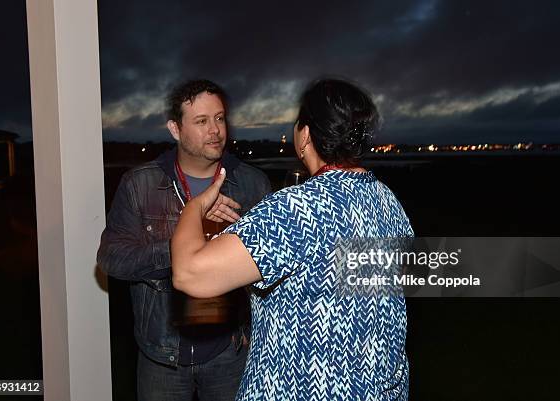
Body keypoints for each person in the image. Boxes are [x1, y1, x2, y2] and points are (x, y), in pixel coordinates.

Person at [170, 78, 414, 400]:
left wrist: (195, 207)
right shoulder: (387, 201)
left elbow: (190, 274)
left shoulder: (299, 208)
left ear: (306, 135)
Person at [97, 79, 271, 401]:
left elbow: (274, 267)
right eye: (202, 121)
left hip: (230, 352)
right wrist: (186, 246)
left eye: (219, 118)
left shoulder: (251, 183)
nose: (215, 130)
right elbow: (112, 258)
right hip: (162, 354)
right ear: (175, 129)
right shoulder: (141, 184)